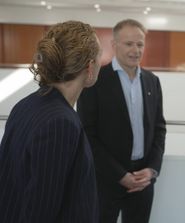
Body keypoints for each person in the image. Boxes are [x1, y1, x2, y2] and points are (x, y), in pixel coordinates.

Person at [0, 20, 102, 222]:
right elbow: (40, 212)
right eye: (100, 56)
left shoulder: (27, 104)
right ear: (89, 67)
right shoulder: (60, 123)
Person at [77, 19, 166, 223]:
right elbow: (87, 135)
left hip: (143, 181)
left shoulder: (152, 81)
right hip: (105, 180)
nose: (135, 50)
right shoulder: (94, 80)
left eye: (140, 44)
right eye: (129, 44)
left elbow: (159, 129)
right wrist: (119, 175)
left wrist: (152, 170)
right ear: (114, 44)